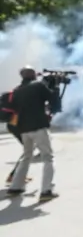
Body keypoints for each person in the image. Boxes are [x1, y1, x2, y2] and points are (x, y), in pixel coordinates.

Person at [7, 66, 59, 202]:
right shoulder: (38, 86)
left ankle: (15, 187)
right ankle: (46, 190)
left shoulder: (17, 91)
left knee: (26, 157)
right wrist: (56, 86)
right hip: (39, 127)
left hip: (24, 130)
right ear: (32, 75)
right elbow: (54, 101)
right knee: (48, 157)